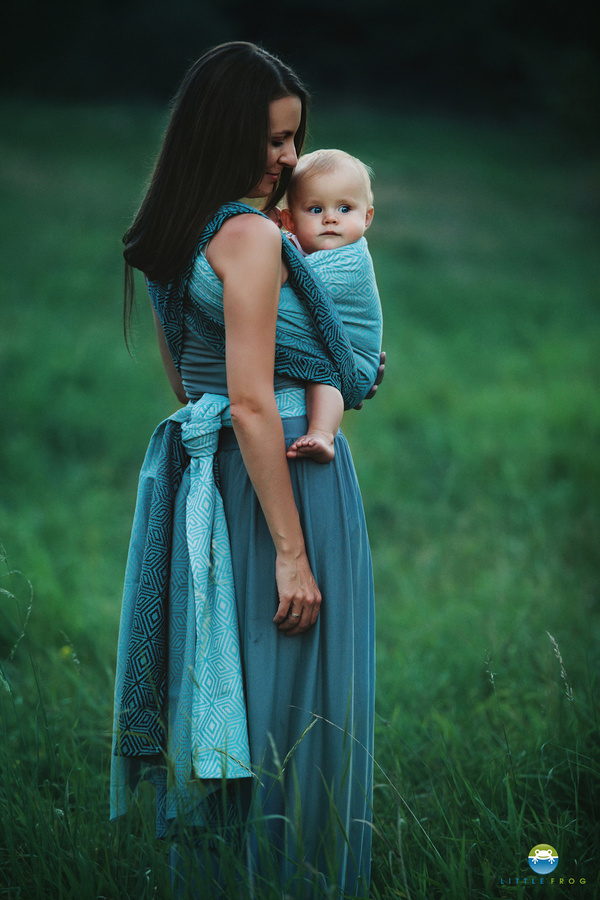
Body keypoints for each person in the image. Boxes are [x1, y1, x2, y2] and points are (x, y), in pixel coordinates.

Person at [110, 41, 381, 899]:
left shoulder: (171, 231)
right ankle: (294, 881)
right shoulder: (252, 238)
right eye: (272, 141)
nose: (290, 161)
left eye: (294, 139)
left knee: (229, 684)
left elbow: (192, 385)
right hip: (288, 480)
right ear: (225, 135)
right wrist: (292, 550)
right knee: (297, 702)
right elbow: (255, 402)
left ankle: (224, 880)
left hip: (210, 484)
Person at [279, 148, 383, 463]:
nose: (330, 218)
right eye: (314, 209)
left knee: (321, 376)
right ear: (289, 221)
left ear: (367, 217)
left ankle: (323, 434)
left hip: (354, 358)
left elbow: (297, 290)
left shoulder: (350, 260)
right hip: (330, 346)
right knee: (317, 370)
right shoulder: (296, 246)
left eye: (344, 207)